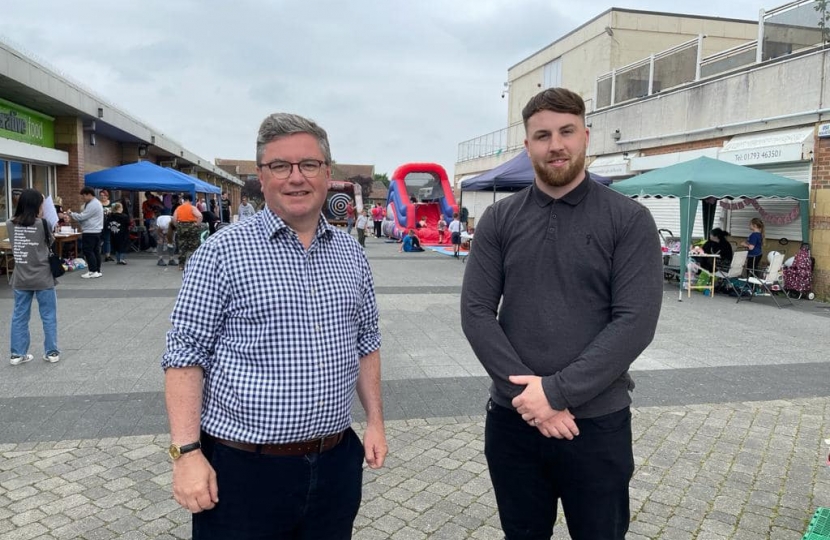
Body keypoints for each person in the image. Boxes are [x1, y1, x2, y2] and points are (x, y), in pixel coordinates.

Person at [162, 112, 386, 539]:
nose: (296, 177)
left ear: (327, 173)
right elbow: (185, 354)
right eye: (280, 165)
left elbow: (366, 341)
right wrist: (186, 453)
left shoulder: (351, 254)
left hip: (335, 465)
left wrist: (375, 421)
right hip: (243, 472)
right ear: (261, 178)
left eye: (309, 164)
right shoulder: (221, 253)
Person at [460, 87, 663, 540]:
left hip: (596, 426)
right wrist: (532, 400)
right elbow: (476, 312)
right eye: (543, 135)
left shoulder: (628, 219)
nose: (556, 145)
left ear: (586, 136)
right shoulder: (499, 220)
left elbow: (635, 321)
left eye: (566, 131)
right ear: (527, 145)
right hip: (514, 423)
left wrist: (555, 393)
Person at [7, 189, 61, 365]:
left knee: (19, 315)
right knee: (48, 315)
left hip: (21, 276)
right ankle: (52, 352)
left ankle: (17, 354)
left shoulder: (10, 223)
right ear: (37, 205)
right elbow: (50, 242)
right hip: (43, 276)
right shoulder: (43, 224)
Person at [62, 187, 104, 279]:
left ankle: (92, 271)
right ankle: (97, 270)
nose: (83, 198)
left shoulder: (93, 204)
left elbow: (82, 217)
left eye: (84, 196)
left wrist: (71, 214)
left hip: (90, 231)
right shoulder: (95, 203)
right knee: (95, 251)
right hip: (96, 230)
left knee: (88, 251)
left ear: (89, 194)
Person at [171, 194, 202, 271]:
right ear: (189, 200)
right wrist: (197, 225)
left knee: (182, 246)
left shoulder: (178, 208)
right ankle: (194, 265)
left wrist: (177, 226)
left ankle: (181, 265)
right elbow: (200, 216)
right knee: (194, 246)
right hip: (192, 228)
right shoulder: (192, 208)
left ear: (184, 199)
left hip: (181, 227)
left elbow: (174, 219)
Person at [99, 189, 114, 262]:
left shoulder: (111, 203)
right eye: (101, 195)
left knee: (107, 240)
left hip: (108, 223)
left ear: (107, 196)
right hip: (99, 224)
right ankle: (97, 254)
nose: (103, 197)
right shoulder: (98, 203)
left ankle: (107, 256)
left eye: (104, 195)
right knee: (99, 239)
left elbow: (115, 212)